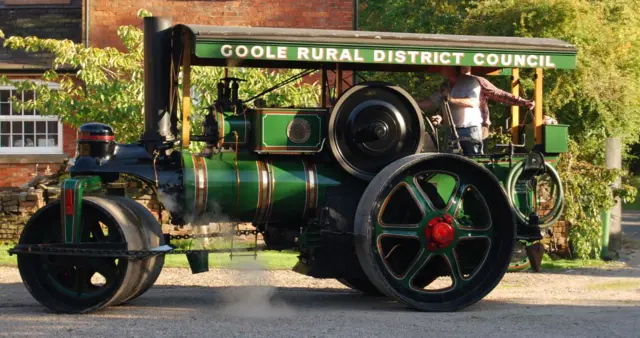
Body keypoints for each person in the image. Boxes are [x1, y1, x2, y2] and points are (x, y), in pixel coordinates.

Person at [418, 66, 535, 155]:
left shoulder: (476, 81)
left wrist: (523, 102)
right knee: (451, 161)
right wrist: (439, 116)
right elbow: (439, 102)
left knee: (475, 159)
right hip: (452, 129)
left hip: (475, 127)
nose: (440, 67)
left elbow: (499, 94)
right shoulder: (445, 85)